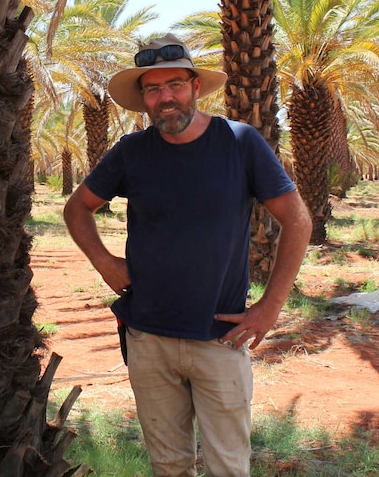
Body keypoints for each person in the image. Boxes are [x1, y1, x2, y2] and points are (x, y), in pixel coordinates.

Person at [63, 34, 311, 476]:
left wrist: (269, 308)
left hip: (221, 338)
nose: (165, 98)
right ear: (143, 99)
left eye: (175, 85)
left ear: (196, 87)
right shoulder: (131, 153)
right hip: (149, 339)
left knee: (228, 467)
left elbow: (297, 220)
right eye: (153, 89)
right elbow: (77, 207)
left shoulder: (239, 143)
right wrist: (105, 264)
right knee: (169, 466)